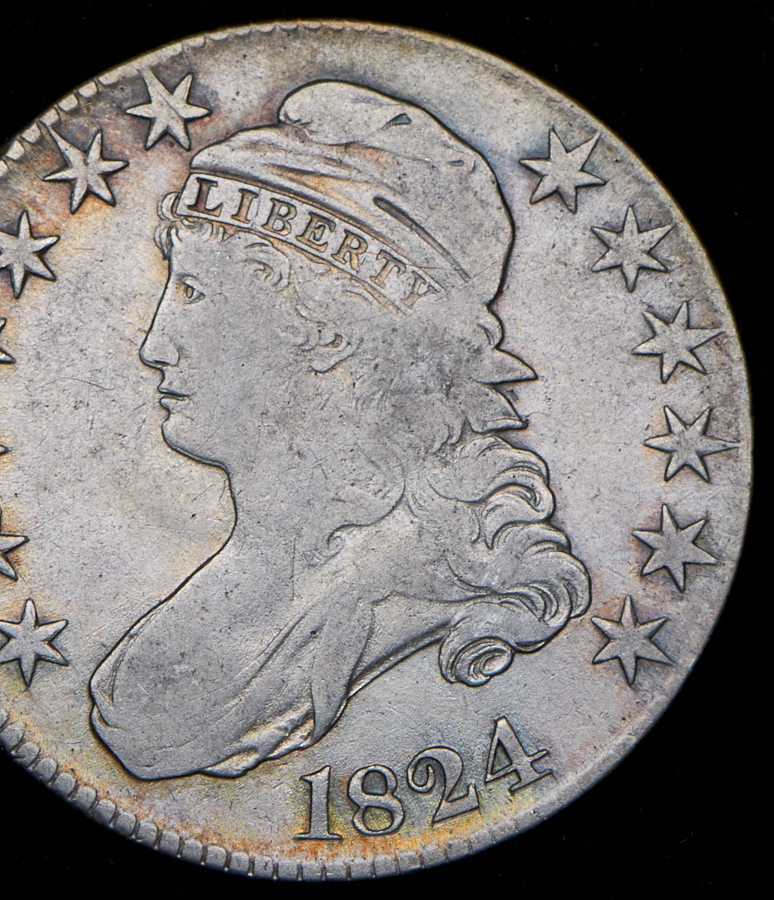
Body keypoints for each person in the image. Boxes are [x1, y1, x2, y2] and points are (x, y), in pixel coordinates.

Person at [89, 82, 590, 780]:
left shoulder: (425, 593)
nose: (154, 345)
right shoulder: (230, 592)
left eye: (195, 293)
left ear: (327, 330)